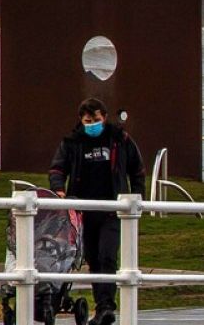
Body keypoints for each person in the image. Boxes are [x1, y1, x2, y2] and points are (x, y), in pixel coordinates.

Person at [49, 98, 145, 325]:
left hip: (113, 210)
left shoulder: (119, 140)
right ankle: (102, 307)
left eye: (97, 120)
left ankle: (106, 307)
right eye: (88, 121)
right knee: (93, 259)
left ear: (105, 117)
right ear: (81, 120)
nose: (92, 124)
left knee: (107, 256)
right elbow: (57, 168)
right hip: (82, 212)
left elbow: (137, 169)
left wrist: (137, 198)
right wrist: (59, 191)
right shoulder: (72, 142)